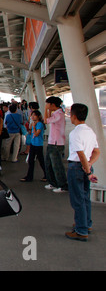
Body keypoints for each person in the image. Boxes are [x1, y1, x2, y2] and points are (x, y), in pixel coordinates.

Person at [65, 103, 100, 242]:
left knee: (77, 200)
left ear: (73, 117)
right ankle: (86, 223)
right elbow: (96, 151)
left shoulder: (75, 133)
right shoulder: (90, 131)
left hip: (77, 168)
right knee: (85, 197)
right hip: (86, 166)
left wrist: (87, 169)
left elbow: (80, 154)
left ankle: (81, 231)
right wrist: (90, 165)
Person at [44, 96, 68, 193]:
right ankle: (53, 183)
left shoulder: (59, 114)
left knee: (57, 165)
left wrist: (46, 109)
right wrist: (49, 110)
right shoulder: (56, 113)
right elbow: (49, 118)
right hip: (52, 142)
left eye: (48, 104)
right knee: (49, 164)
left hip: (57, 143)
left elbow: (46, 120)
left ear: (52, 105)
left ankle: (63, 185)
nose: (47, 106)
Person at [20, 110, 47, 182]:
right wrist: (30, 127)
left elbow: (36, 134)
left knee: (41, 161)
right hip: (33, 144)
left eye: (34, 115)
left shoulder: (39, 124)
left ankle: (46, 175)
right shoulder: (34, 123)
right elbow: (30, 133)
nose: (32, 116)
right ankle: (29, 176)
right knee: (31, 161)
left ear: (38, 116)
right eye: (32, 115)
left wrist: (34, 127)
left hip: (38, 145)